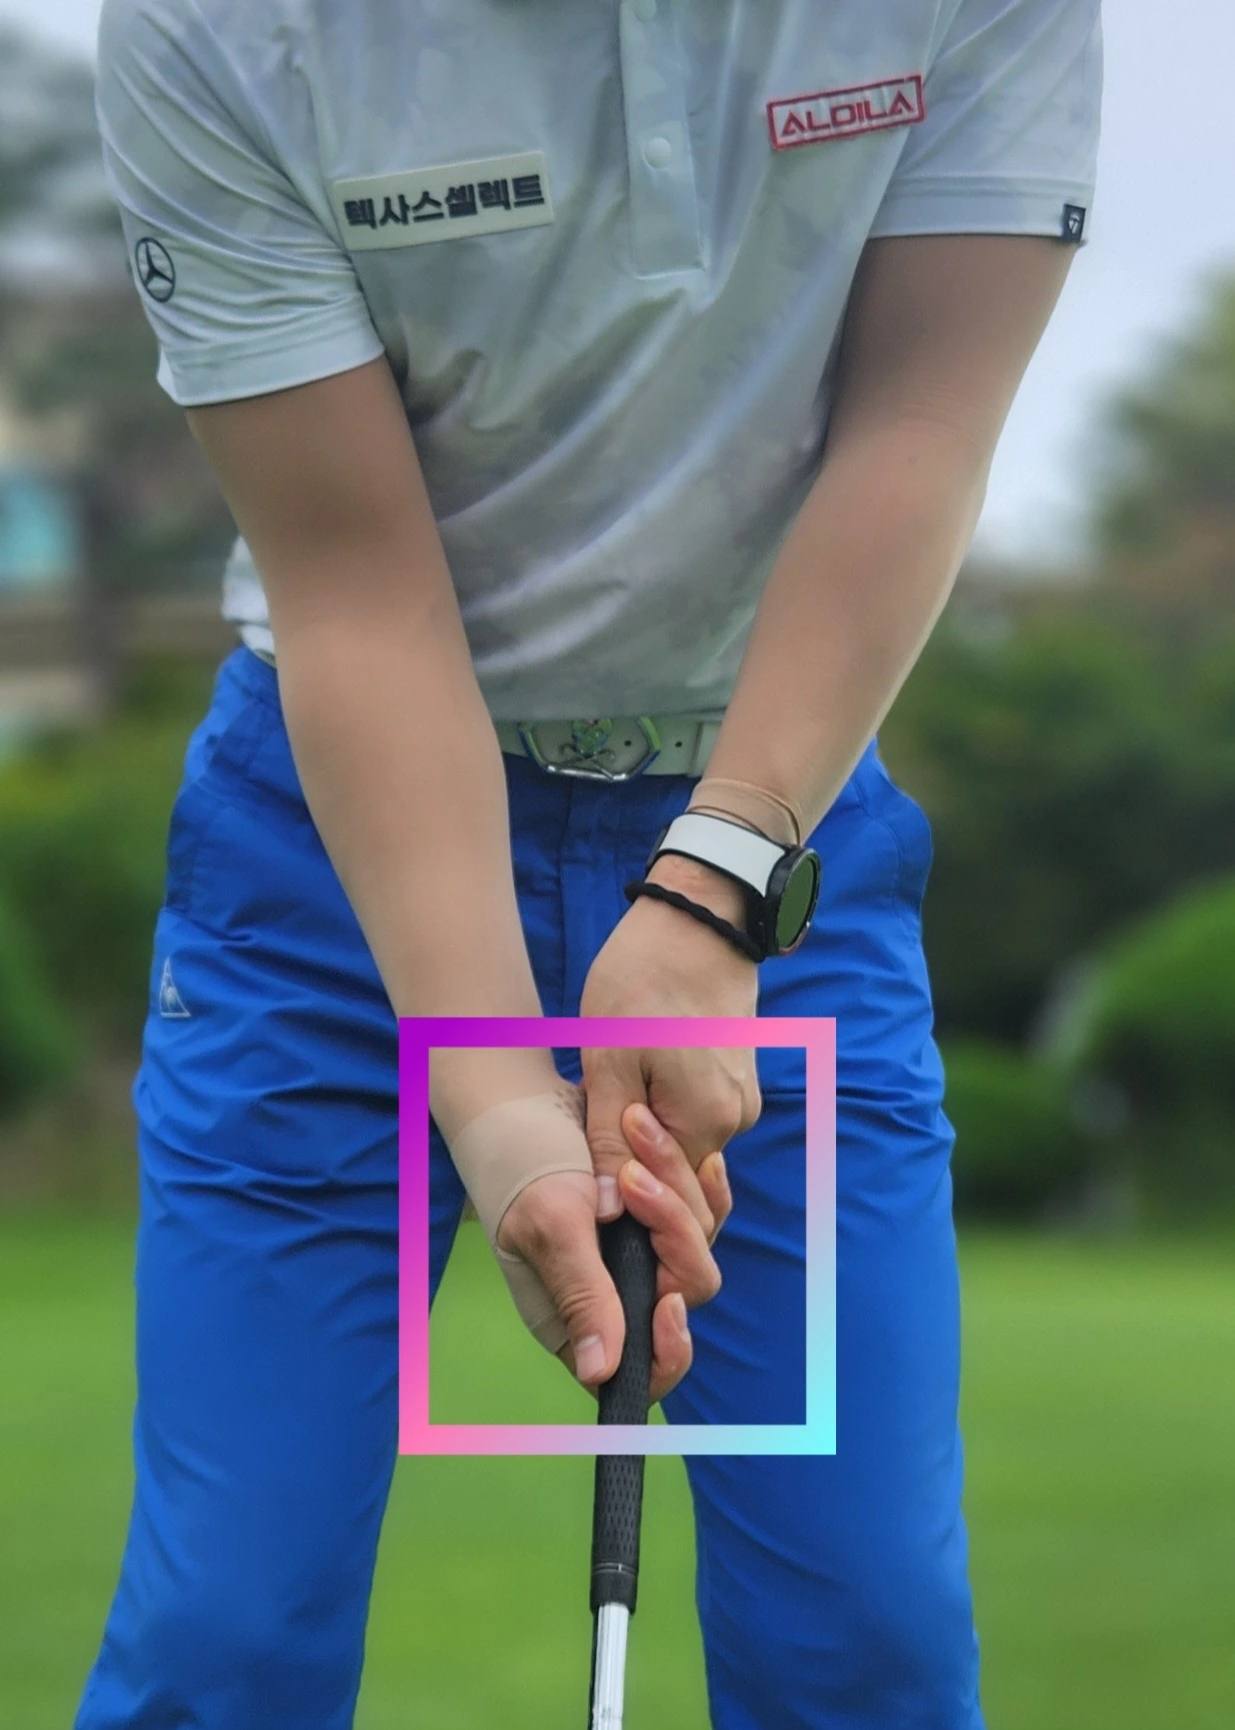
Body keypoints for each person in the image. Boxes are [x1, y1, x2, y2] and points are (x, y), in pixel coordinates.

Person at [79, 1, 1103, 1725]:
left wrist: (716, 878)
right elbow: (354, 592)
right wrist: (494, 1099)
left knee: (867, 1635)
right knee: (223, 1637)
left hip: (773, 805)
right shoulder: (222, 23)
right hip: (334, 849)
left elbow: (918, 433)